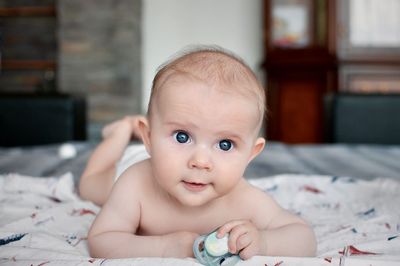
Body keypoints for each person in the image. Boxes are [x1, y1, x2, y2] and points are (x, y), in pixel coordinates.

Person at [79, 46, 317, 260]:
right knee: (89, 185)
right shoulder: (134, 184)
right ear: (149, 138)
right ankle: (120, 132)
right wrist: (163, 247)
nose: (200, 161)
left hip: (164, 162)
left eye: (225, 144)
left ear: (250, 154)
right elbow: (101, 240)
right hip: (135, 166)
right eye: (182, 136)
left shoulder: (246, 199)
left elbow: (303, 238)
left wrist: (264, 241)